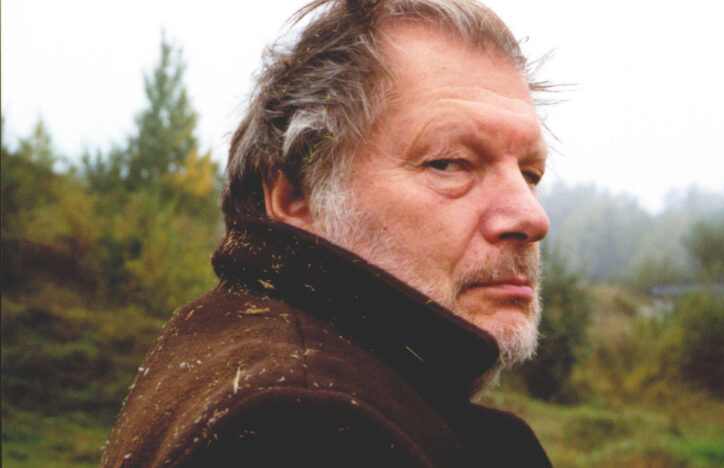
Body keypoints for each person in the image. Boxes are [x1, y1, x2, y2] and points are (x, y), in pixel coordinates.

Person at [101, 0, 553, 466]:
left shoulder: (237, 346)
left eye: (530, 173)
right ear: (298, 198)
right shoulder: (304, 425)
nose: (532, 216)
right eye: (449, 163)